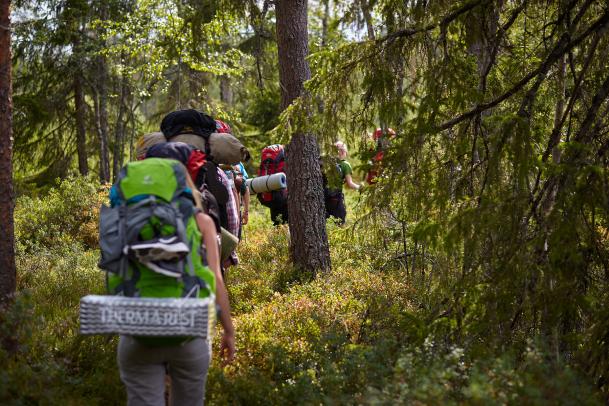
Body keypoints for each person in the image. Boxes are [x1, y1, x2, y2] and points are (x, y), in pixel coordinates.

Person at [114, 162, 235, 406]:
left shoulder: (125, 219)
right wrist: (228, 330)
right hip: (189, 331)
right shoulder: (201, 222)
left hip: (138, 332)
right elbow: (216, 278)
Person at [323, 141, 360, 224]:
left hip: (322, 198)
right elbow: (350, 184)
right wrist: (361, 188)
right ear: (344, 152)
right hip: (336, 199)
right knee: (339, 224)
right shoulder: (345, 165)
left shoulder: (326, 163)